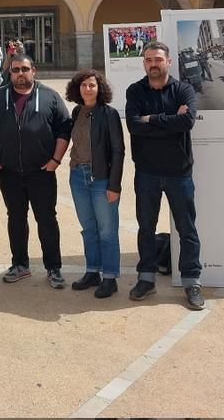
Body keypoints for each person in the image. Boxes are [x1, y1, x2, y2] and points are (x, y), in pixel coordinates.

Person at [124, 40, 203, 310]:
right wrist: (169, 120)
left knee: (187, 229)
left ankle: (192, 281)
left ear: (169, 61)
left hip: (178, 173)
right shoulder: (135, 91)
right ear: (144, 63)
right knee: (146, 227)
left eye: (158, 59)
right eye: (148, 60)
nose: (153, 64)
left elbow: (187, 121)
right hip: (146, 172)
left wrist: (152, 119)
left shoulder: (184, 89)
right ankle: (146, 278)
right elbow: (134, 126)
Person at [0, 53, 70, 288]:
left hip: (42, 171)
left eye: (25, 69)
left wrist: (56, 159)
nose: (20, 74)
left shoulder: (50, 97)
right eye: (15, 70)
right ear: (10, 72)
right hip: (8, 171)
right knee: (15, 218)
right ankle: (20, 264)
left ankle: (53, 268)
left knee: (46, 219)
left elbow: (64, 128)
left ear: (33, 70)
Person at [64, 70, 125, 299]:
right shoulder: (78, 111)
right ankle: (92, 271)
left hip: (101, 178)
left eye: (91, 85)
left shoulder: (108, 114)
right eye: (83, 85)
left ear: (100, 89)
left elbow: (118, 151)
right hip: (78, 176)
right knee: (88, 228)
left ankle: (109, 277)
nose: (87, 89)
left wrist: (114, 185)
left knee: (107, 231)